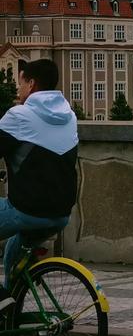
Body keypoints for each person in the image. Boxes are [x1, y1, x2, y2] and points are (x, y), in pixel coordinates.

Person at [0, 59, 79, 314]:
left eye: (21, 82)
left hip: (27, 210)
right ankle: (11, 315)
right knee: (13, 250)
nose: (18, 88)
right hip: (61, 214)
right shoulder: (69, 116)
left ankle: (2, 299)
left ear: (31, 83)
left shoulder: (19, 116)